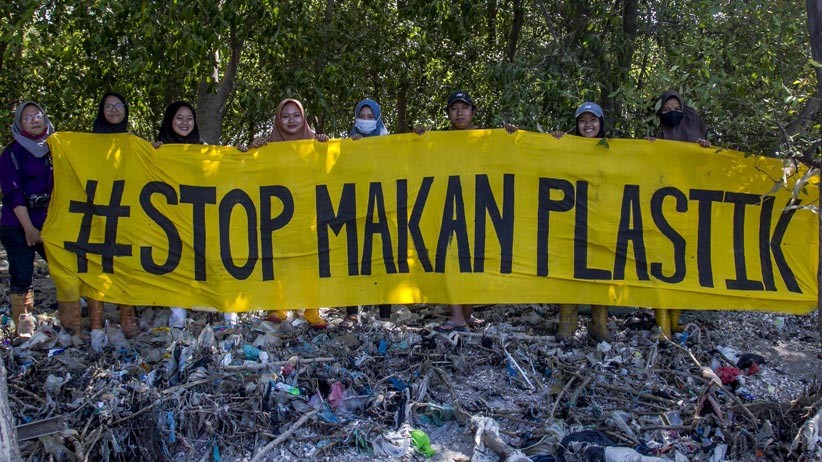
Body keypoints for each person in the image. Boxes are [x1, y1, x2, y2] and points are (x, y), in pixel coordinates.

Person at [415, 90, 515, 332]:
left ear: (472, 112)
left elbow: (507, 159)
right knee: (451, 262)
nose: (459, 113)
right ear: (449, 114)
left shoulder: (485, 138)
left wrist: (512, 137)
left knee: (472, 262)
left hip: (479, 207)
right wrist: (418, 140)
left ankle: (467, 314)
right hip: (449, 208)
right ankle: (456, 316)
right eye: (454, 109)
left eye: (464, 108)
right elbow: (420, 163)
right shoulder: (439, 140)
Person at [250, 98, 328, 328]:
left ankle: (312, 310)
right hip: (278, 212)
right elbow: (252, 172)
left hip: (308, 210)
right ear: (277, 119)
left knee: (310, 260)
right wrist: (251, 151)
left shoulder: (315, 141)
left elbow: (331, 168)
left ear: (304, 117)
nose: (291, 120)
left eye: (296, 115)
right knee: (279, 259)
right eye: (286, 115)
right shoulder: (268, 145)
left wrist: (325, 146)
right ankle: (279, 307)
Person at [649, 90, 711, 338]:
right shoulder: (654, 136)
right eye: (665, 110)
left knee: (686, 264)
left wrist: (706, 151)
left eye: (676, 108)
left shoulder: (698, 135)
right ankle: (661, 322)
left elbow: (709, 172)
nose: (671, 113)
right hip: (657, 210)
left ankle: (676, 320)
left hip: (690, 210)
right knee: (660, 264)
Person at [550, 102, 612, 341]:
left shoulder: (612, 149)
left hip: (602, 218)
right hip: (571, 217)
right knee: (569, 268)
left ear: (601, 123)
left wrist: (649, 147)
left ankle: (599, 324)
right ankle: (567, 323)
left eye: (593, 120)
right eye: (583, 121)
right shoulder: (567, 146)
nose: (588, 125)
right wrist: (553, 141)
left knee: (603, 269)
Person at [0, 102, 55, 338]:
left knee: (63, 266)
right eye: (27, 118)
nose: (34, 120)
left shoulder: (57, 148)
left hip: (51, 221)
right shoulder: (12, 153)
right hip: (18, 221)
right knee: (22, 273)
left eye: (38, 116)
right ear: (19, 123)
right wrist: (29, 228)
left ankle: (72, 314)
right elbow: (12, 193)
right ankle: (24, 321)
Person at [89, 92, 141, 338]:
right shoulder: (87, 143)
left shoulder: (131, 142)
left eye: (118, 105)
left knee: (125, 264)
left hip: (126, 212)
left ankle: (126, 315)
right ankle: (96, 321)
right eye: (108, 106)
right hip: (96, 211)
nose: (114, 110)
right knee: (95, 264)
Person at [346, 98, 392, 321]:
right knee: (352, 259)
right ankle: (352, 312)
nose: (365, 121)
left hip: (382, 209)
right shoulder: (347, 144)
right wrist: (350, 149)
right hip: (354, 210)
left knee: (384, 259)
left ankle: (385, 313)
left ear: (378, 118)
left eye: (370, 117)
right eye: (361, 117)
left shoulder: (389, 144)